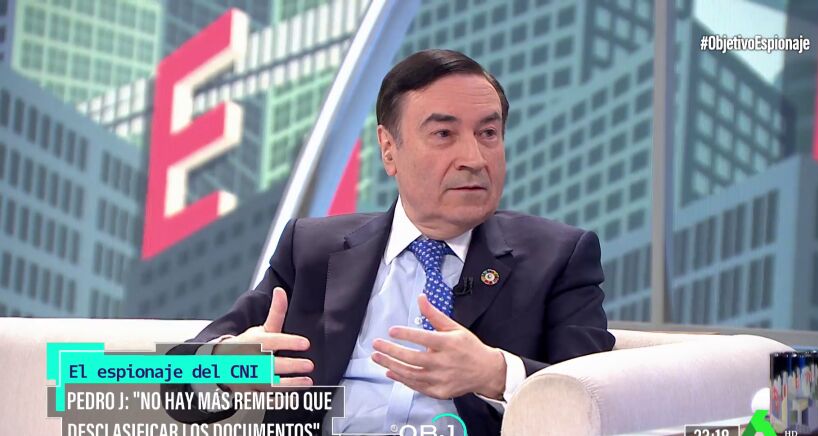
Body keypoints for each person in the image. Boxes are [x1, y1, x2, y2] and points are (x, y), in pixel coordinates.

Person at [173, 49, 615, 435]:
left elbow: (601, 400)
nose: (474, 159)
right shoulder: (312, 249)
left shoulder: (558, 257)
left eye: (488, 134)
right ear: (388, 149)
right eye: (444, 134)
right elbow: (172, 384)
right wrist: (232, 366)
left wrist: (496, 374)